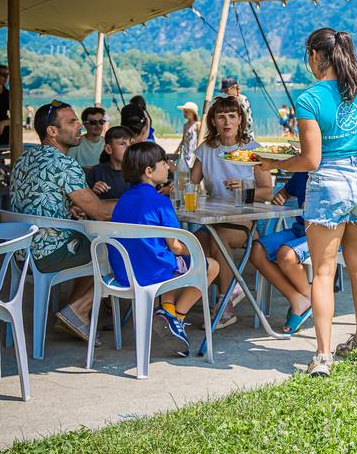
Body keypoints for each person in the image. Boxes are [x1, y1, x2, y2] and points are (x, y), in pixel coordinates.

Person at [256, 28, 357, 377]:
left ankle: (322, 356)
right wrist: (354, 151)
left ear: (316, 56)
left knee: (322, 272)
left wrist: (272, 165)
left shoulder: (310, 99)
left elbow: (311, 160)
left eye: (308, 56)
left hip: (328, 186)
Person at [10, 100, 116, 342]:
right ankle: (77, 310)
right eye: (72, 122)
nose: (80, 126)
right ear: (52, 131)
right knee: (116, 249)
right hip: (48, 254)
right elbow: (100, 212)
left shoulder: (25, 158)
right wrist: (141, 200)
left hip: (20, 252)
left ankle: (72, 312)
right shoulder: (63, 163)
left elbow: (40, 199)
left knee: (91, 243)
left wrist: (69, 209)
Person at [110, 142, 220, 356]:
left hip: (124, 272)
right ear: (148, 171)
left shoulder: (123, 199)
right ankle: (176, 317)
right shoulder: (160, 202)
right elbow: (176, 247)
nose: (168, 166)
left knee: (168, 259)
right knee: (211, 266)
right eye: (163, 162)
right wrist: (195, 249)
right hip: (152, 272)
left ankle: (168, 313)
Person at [190, 96, 272, 329]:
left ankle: (225, 304)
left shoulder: (253, 150)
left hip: (246, 221)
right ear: (213, 121)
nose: (227, 122)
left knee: (219, 238)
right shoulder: (206, 149)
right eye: (221, 117)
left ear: (240, 120)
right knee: (193, 243)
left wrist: (246, 189)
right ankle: (229, 290)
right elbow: (190, 182)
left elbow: (267, 192)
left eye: (232, 116)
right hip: (213, 219)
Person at [250, 172, 312, 334]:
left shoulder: (330, 173)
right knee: (257, 250)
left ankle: (308, 298)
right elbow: (285, 192)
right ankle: (301, 299)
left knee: (286, 255)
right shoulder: (302, 173)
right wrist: (281, 197)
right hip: (300, 230)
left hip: (322, 235)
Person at [86, 125, 133, 200]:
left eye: (131, 144)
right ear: (108, 149)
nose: (129, 148)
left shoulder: (137, 172)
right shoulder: (96, 172)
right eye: (122, 144)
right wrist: (93, 192)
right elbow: (84, 201)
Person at [174, 101, 200, 169]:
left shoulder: (197, 125)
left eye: (186, 112)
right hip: (186, 153)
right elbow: (183, 140)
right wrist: (176, 151)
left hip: (194, 153)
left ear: (193, 113)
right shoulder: (185, 125)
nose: (184, 114)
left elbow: (200, 141)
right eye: (184, 112)